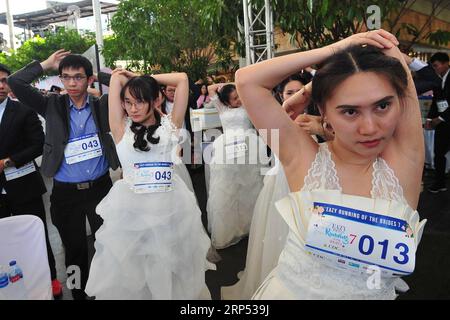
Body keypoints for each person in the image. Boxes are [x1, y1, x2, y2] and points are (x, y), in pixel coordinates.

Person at [235, 29, 426, 299]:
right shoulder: (302, 158)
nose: (370, 128)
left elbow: (391, 52)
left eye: (382, 106)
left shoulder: (405, 161)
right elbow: (247, 80)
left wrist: (348, 60)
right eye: (350, 111)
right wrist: (336, 50)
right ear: (323, 112)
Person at [85, 69, 213, 299]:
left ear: (156, 99)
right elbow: (116, 79)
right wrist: (129, 80)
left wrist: (140, 77)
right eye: (128, 102)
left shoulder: (170, 125)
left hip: (170, 210)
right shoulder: (120, 129)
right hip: (131, 214)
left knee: (172, 271)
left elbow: (182, 79)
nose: (132, 109)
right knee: (133, 275)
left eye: (140, 102)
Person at [7, 50, 120, 300]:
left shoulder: (102, 105)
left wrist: (99, 74)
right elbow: (16, 82)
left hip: (101, 188)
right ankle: (78, 294)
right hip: (66, 193)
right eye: (66, 77)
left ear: (89, 80)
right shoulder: (51, 104)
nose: (71, 83)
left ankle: (108, 290)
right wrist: (46, 64)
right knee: (74, 250)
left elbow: (128, 87)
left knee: (110, 245)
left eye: (78, 77)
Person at [0, 63, 62, 298]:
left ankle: (51, 277)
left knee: (35, 234)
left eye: (5, 80)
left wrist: (8, 161)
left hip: (23, 183)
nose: (1, 86)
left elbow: (38, 144)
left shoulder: (23, 111)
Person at [206, 83, 266, 249]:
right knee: (228, 188)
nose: (239, 100)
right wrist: (224, 84)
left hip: (248, 149)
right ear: (226, 101)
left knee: (249, 186)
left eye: (239, 96)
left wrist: (237, 87)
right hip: (227, 151)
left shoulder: (247, 104)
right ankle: (230, 228)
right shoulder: (221, 109)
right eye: (234, 98)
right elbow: (211, 88)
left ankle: (249, 225)